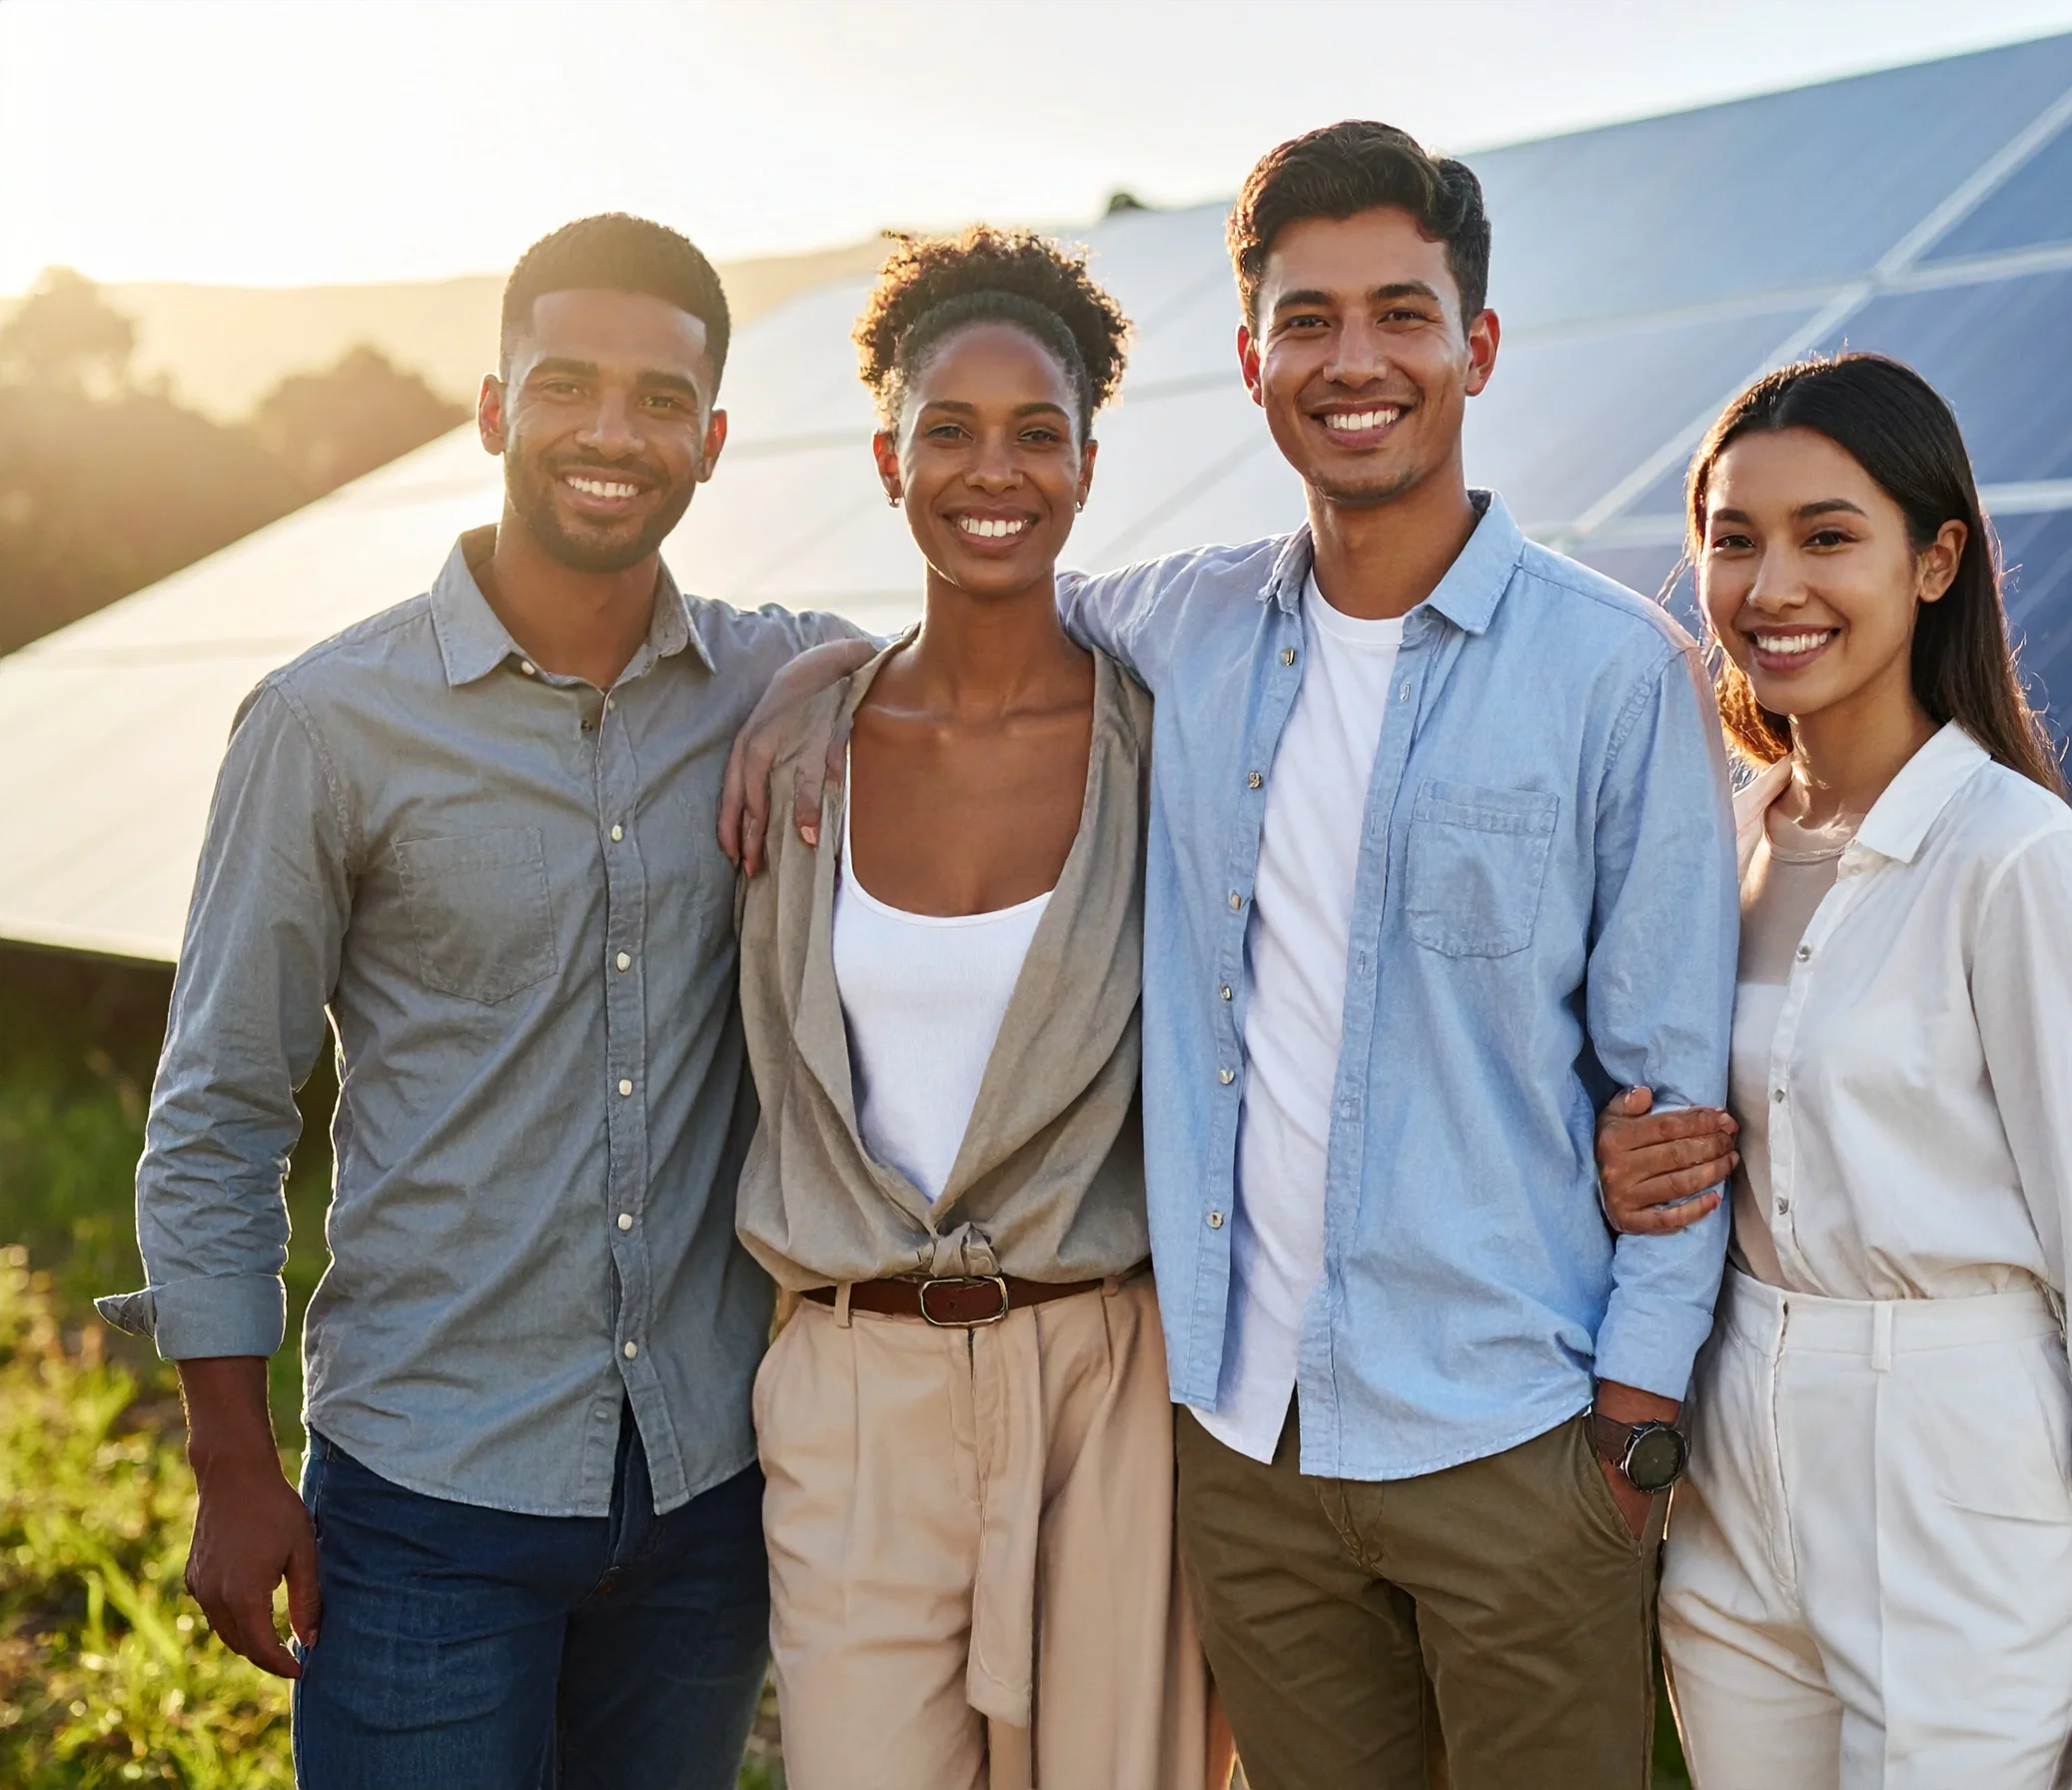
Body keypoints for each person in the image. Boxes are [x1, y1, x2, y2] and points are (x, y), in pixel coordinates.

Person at [723, 122, 1739, 1789]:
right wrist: (810, 672)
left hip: (1516, 1432)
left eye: (1403, 315)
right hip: (1243, 1449)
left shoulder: (1614, 674)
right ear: (1253, 358)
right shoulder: (1179, 632)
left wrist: (1633, 1419)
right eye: (1310, 319)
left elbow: (1672, 1087)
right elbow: (983, 581)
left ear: (1476, 346)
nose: (1358, 363)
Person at [99, 215, 867, 1788]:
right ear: (492, 407)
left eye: (662, 401)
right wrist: (232, 1467)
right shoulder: (325, 726)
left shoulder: (764, 680)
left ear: (714, 442)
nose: (612, 432)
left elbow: (973, 655)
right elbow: (222, 1110)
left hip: (706, 1499)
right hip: (427, 1502)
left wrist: (830, 676)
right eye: (568, 384)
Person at [1593, 353, 2072, 1790]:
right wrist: (1619, 1165)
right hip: (1736, 1457)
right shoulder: (1718, 836)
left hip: (1961, 1466)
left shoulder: (2017, 859)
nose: (1772, 586)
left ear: (1938, 560)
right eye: (1734, 540)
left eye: (1829, 536)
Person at [730, 227, 1213, 1790]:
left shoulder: (1175, 741)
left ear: (1086, 465)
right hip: (853, 1382)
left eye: (1035, 433)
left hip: (1104, 1382)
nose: (989, 470)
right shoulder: (808, 742)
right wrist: (816, 674)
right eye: (947, 430)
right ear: (887, 457)